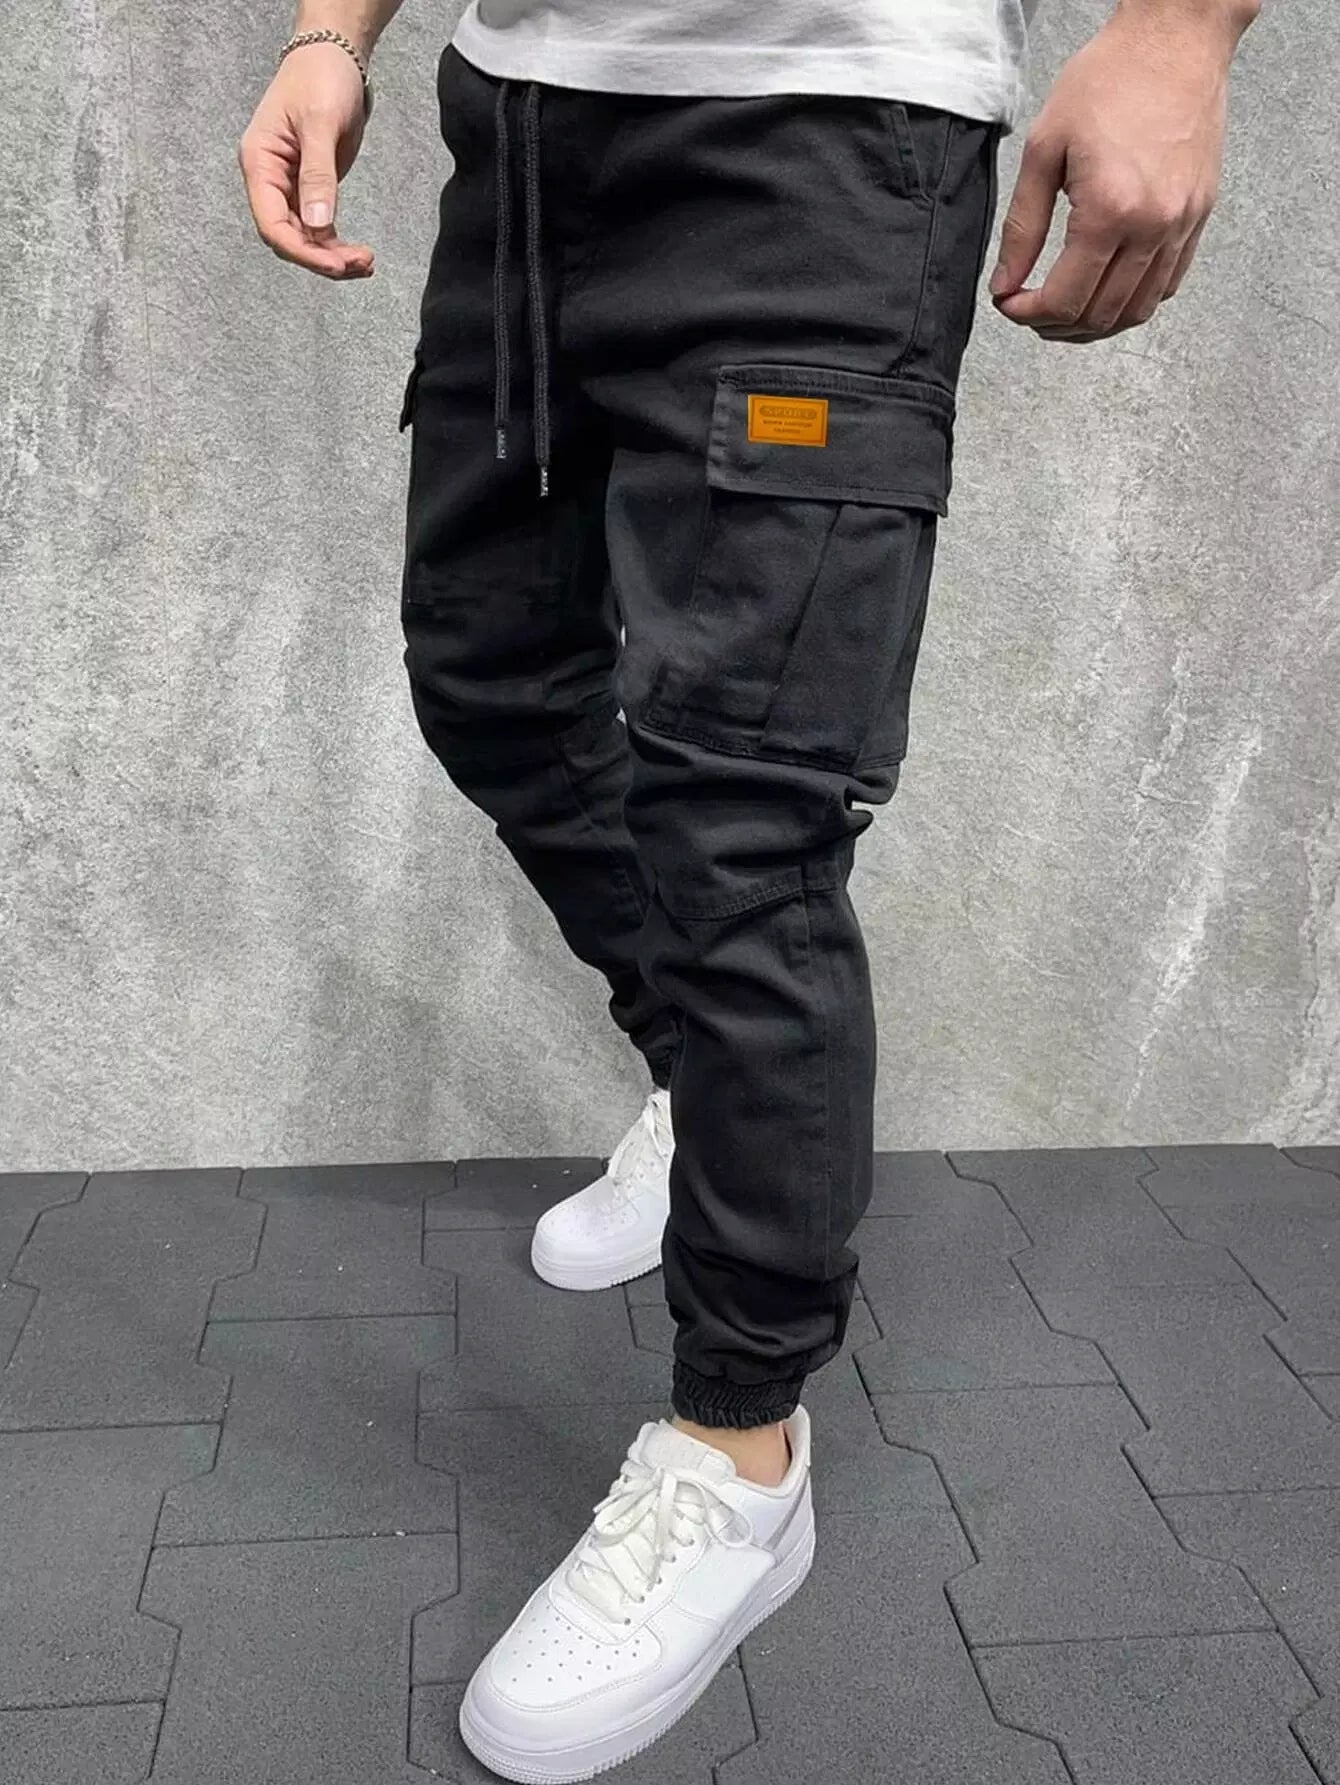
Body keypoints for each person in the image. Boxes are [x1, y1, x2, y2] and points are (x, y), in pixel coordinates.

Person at [240, 0, 1256, 1776]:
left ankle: (740, 1453)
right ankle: (699, 1080)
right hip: (528, 121)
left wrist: (1182, 29)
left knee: (747, 825)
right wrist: (336, 32)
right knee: (490, 672)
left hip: (826, 141)